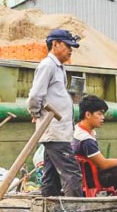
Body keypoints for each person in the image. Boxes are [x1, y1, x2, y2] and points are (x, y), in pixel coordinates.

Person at [26, 28, 83, 197]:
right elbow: (35, 96)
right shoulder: (48, 65)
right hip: (55, 130)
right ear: (55, 44)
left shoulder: (58, 67)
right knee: (72, 174)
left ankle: (48, 210)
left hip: (59, 130)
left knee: (51, 177)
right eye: (67, 46)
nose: (70, 50)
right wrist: (36, 113)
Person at [72, 95, 117, 195]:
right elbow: (103, 164)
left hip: (97, 171)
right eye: (99, 114)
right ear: (88, 115)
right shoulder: (85, 139)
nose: (103, 118)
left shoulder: (80, 129)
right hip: (93, 177)